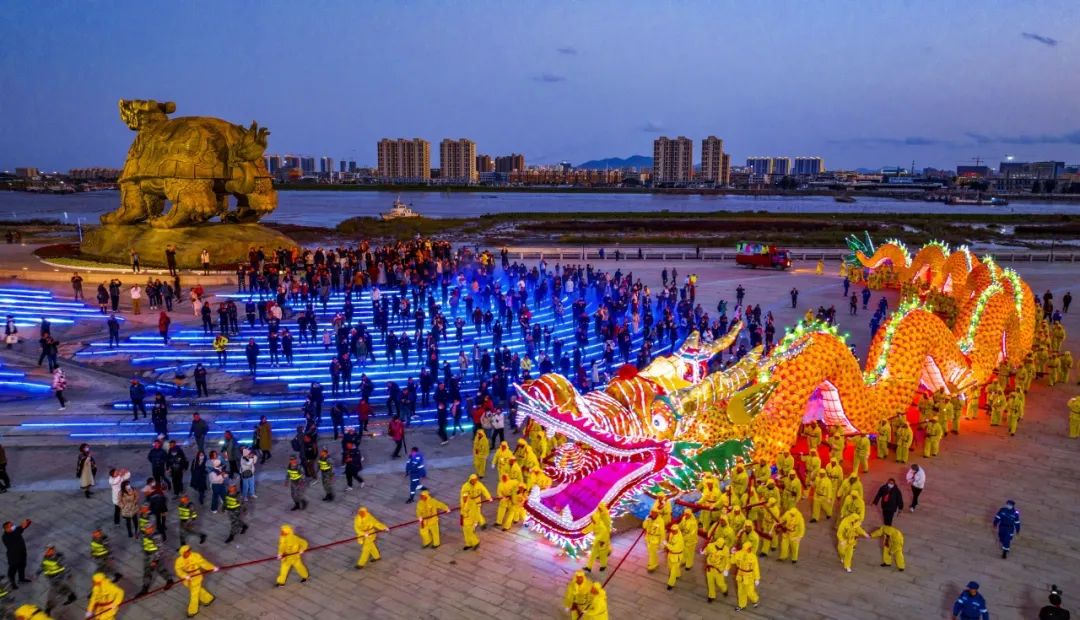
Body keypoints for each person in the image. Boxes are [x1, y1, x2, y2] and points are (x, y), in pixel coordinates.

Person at [174, 545, 217, 617]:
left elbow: (203, 563)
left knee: (194, 594)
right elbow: (178, 569)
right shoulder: (179, 560)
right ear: (183, 553)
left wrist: (212, 567)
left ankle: (192, 610)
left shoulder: (195, 556)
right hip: (188, 578)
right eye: (186, 552)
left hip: (196, 576)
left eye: (189, 551)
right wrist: (184, 575)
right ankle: (208, 599)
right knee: (197, 590)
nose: (189, 552)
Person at [39, 545, 77, 613]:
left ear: (53, 551)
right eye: (46, 550)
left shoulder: (58, 558)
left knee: (52, 595)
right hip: (51, 579)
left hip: (58, 579)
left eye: (49, 550)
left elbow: (65, 566)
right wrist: (37, 573)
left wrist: (68, 574)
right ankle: (72, 596)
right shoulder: (45, 557)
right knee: (63, 589)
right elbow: (42, 566)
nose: (46, 552)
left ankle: (48, 610)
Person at [459, 474, 491, 551]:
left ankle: (475, 541)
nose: (474, 482)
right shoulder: (465, 488)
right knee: (465, 531)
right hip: (465, 516)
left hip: (472, 513)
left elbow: (484, 490)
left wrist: (488, 497)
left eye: (475, 480)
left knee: (469, 529)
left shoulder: (479, 485)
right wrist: (462, 515)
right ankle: (468, 543)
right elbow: (462, 506)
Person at [731, 541, 760, 611]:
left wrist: (757, 578)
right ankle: (742, 605)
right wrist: (732, 554)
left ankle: (755, 599)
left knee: (750, 592)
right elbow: (732, 561)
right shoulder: (738, 553)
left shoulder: (753, 556)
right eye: (749, 548)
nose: (750, 549)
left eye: (750, 548)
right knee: (741, 591)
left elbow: (756, 568)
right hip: (740, 575)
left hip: (749, 576)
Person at [3, 520, 31, 588]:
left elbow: (20, 528)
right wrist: (21, 527)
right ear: (6, 529)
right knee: (12, 572)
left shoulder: (15, 530)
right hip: (14, 557)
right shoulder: (5, 537)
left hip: (22, 554)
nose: (13, 526)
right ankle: (12, 583)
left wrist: (25, 524)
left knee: (22, 567)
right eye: (11, 526)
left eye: (12, 524)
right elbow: (16, 534)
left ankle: (21, 579)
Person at [663, 524, 684, 590]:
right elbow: (670, 541)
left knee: (673, 571)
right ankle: (678, 574)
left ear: (677, 530)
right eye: (672, 530)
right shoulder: (672, 534)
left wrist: (666, 544)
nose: (673, 531)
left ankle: (671, 584)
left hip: (676, 556)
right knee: (670, 567)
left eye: (674, 531)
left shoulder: (679, 539)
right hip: (671, 554)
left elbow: (674, 548)